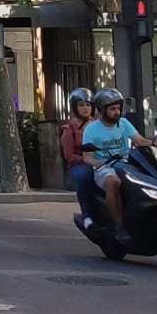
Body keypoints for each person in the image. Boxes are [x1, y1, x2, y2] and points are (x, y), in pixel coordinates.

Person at [81, 88, 157, 238]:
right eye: (112, 109)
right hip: (105, 169)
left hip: (126, 164)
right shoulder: (91, 129)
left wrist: (156, 144)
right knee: (113, 182)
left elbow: (139, 140)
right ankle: (119, 227)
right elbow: (87, 157)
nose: (116, 112)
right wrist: (99, 163)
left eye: (118, 108)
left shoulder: (123, 123)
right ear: (102, 110)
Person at [59, 88, 98, 221]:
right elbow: (69, 155)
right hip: (80, 164)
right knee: (84, 176)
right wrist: (88, 161)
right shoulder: (69, 129)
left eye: (88, 104)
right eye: (81, 105)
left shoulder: (98, 125)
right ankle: (87, 215)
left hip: (102, 162)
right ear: (75, 107)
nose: (85, 108)